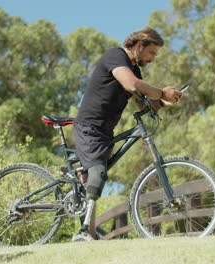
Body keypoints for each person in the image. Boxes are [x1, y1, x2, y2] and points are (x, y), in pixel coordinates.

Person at [72, 28, 182, 241]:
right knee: (97, 174)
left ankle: (90, 234)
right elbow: (131, 84)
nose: (152, 59)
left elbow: (143, 103)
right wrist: (161, 91)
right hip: (89, 127)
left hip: (105, 131)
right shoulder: (115, 56)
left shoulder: (135, 71)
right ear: (139, 46)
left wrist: (162, 102)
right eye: (152, 53)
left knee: (94, 176)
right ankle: (85, 233)